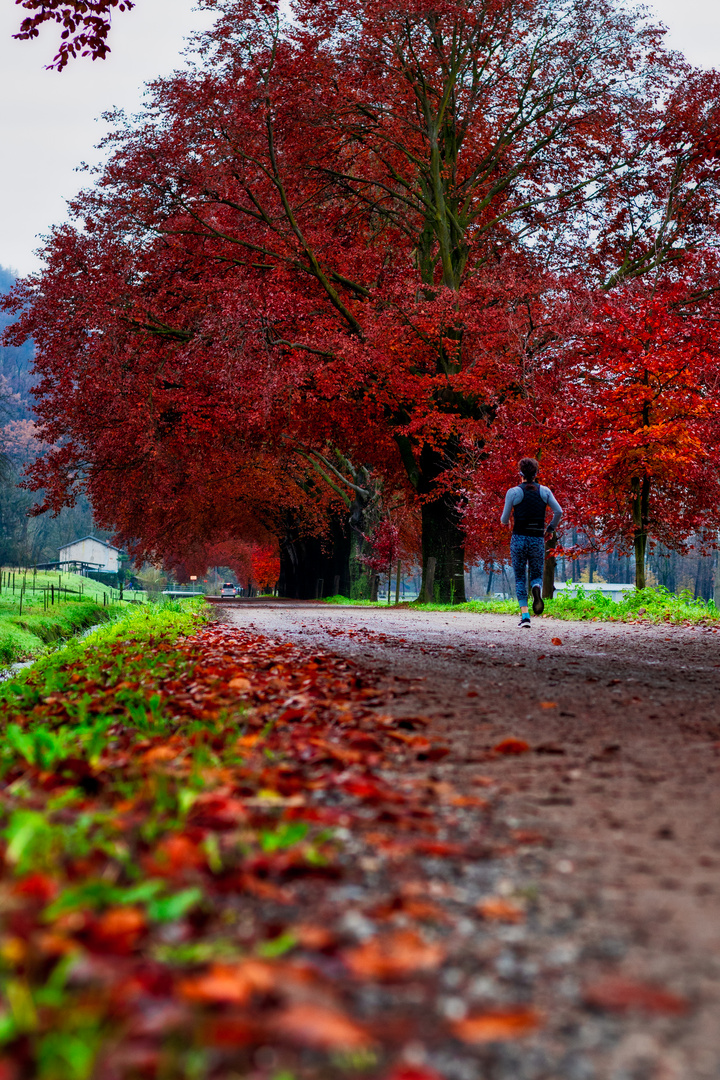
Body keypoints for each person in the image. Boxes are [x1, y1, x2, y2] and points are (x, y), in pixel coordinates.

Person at [500, 457, 562, 628]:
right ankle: (536, 587)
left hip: (519, 538)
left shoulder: (513, 492)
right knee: (536, 575)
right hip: (537, 539)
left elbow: (504, 519)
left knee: (520, 577)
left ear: (520, 474)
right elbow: (558, 511)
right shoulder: (545, 492)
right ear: (536, 474)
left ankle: (525, 616)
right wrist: (549, 530)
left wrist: (508, 521)